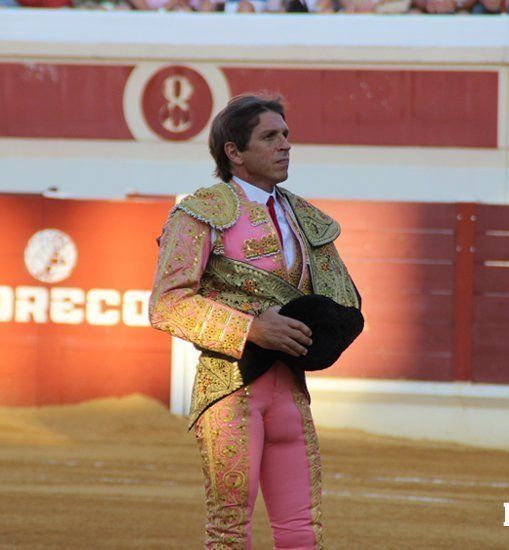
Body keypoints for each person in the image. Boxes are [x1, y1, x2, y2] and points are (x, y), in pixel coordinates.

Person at [148, 93, 360, 549]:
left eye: (286, 135)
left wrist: (321, 334)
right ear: (234, 152)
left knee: (302, 529)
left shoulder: (305, 217)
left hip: (291, 391)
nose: (285, 145)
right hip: (230, 387)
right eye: (270, 136)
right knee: (229, 530)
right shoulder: (199, 213)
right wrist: (250, 328)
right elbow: (165, 304)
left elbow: (342, 302)